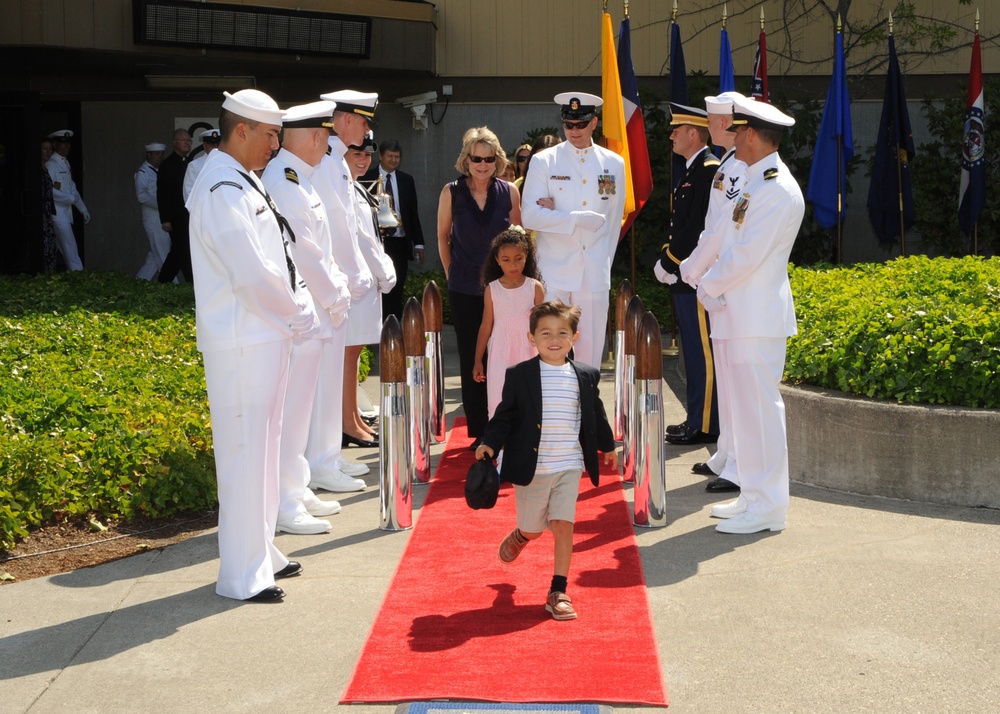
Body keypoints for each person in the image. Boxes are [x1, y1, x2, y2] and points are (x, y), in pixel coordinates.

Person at [186, 88, 315, 602]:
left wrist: (294, 308)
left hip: (264, 335)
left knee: (263, 450)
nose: (275, 146)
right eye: (270, 135)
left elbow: (277, 255)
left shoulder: (243, 180)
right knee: (243, 455)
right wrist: (297, 311)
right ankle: (242, 575)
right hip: (243, 339)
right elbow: (250, 273)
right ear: (241, 129)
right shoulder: (221, 187)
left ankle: (262, 552)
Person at [697, 96, 804, 535]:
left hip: (755, 317)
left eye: (738, 131)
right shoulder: (757, 181)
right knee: (745, 413)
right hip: (740, 315)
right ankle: (754, 496)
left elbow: (746, 257)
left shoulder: (776, 189)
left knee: (761, 413)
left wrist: (706, 285)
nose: (732, 137)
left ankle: (770, 507)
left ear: (755, 136)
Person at [475, 301, 618, 621]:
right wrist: (489, 443)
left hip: (569, 464)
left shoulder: (586, 374)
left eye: (562, 332)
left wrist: (607, 444)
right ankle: (523, 534)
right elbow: (504, 417)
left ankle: (558, 591)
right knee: (535, 527)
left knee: (564, 525)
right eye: (545, 333)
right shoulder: (520, 375)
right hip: (533, 467)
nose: (554, 339)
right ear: (532, 338)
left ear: (574, 337)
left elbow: (595, 413)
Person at [262, 99, 353, 535]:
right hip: (302, 315)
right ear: (316, 137)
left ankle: (295, 489)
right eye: (325, 136)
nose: (327, 143)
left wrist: (335, 292)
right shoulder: (285, 181)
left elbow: (326, 247)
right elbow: (306, 255)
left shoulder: (302, 179)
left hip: (314, 313)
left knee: (300, 414)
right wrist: (336, 297)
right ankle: (283, 504)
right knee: (292, 413)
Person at [521, 93, 627, 369]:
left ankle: (587, 406)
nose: (574, 131)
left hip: (593, 271)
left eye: (580, 124)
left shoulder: (613, 163)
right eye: (568, 125)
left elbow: (613, 221)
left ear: (595, 122)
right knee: (549, 348)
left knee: (590, 352)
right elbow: (529, 215)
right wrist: (573, 219)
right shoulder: (545, 161)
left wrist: (603, 260)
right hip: (554, 269)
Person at [307, 88, 379, 476]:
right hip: (327, 287)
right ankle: (320, 460)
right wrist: (352, 277)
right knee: (323, 373)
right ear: (347, 119)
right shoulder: (326, 161)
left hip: (336, 284)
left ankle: (328, 455)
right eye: (364, 120)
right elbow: (332, 227)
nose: (366, 130)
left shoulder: (333, 160)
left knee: (333, 368)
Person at [680, 91, 748, 494]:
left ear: (726, 123)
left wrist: (704, 273)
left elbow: (730, 231)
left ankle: (739, 463)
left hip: (728, 283)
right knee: (723, 372)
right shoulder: (726, 162)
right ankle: (726, 452)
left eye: (712, 118)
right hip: (714, 280)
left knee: (736, 381)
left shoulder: (742, 166)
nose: (708, 123)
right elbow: (713, 226)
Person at [437, 126, 521, 444]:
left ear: (497, 160)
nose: (483, 164)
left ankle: (506, 422)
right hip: (465, 288)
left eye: (489, 159)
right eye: (477, 158)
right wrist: (451, 274)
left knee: (507, 355)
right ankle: (480, 430)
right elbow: (443, 238)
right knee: (475, 356)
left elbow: (519, 239)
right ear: (466, 160)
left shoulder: (509, 192)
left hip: (504, 289)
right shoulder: (452, 192)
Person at [654, 103, 720, 447]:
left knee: (701, 352)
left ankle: (706, 423)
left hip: (696, 274)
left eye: (676, 130)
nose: (671, 135)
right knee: (693, 352)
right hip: (687, 274)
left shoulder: (708, 169)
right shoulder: (695, 169)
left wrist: (670, 260)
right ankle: (698, 417)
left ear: (694, 133)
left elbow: (697, 227)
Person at [346, 133, 397, 443]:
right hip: (356, 284)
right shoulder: (343, 189)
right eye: (356, 154)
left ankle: (352, 417)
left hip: (366, 283)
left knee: (353, 357)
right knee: (348, 357)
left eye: (367, 155)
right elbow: (363, 241)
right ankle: (348, 423)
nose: (363, 159)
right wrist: (386, 271)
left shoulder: (353, 187)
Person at [473, 225, 545, 418]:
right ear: (497, 260)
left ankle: (528, 444)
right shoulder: (492, 289)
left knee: (529, 399)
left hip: (528, 351)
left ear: (526, 257)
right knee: (499, 397)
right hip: (500, 352)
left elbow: (543, 326)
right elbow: (486, 326)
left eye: (518, 259)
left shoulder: (534, 287)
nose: (513, 265)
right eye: (506, 260)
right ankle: (502, 446)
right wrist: (478, 360)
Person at [361, 138, 425, 322]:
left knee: (396, 287)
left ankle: (393, 328)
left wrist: (419, 243)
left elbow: (413, 214)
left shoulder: (406, 180)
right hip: (376, 243)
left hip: (399, 242)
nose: (394, 160)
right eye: (390, 156)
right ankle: (376, 328)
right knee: (377, 287)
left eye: (397, 157)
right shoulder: (367, 178)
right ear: (380, 156)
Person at [46, 129, 89, 270]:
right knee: (70, 247)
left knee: (66, 249)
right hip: (57, 212)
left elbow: (72, 187)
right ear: (55, 144)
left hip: (65, 212)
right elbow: (49, 191)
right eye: (63, 144)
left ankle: (74, 278)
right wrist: (71, 199)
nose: (67, 147)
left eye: (68, 144)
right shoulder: (51, 164)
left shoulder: (65, 163)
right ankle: (80, 277)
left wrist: (82, 208)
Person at [157, 128, 194, 283]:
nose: (187, 143)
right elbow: (163, 193)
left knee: (178, 253)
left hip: (188, 216)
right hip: (175, 217)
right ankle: (190, 283)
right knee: (184, 251)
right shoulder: (167, 165)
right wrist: (165, 219)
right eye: (183, 140)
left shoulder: (190, 164)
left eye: (189, 141)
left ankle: (163, 281)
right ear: (174, 143)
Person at [135, 142, 170, 281]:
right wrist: (163, 206)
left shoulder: (160, 170)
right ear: (149, 155)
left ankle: (140, 281)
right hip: (153, 218)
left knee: (155, 255)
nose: (160, 157)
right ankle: (171, 285)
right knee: (163, 254)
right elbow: (141, 196)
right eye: (156, 154)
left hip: (161, 217)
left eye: (162, 154)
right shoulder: (143, 172)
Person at [182, 128, 221, 202]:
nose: (215, 148)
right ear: (205, 146)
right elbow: (189, 194)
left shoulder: (227, 163)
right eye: (212, 145)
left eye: (218, 145)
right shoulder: (194, 165)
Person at [39, 138, 59, 273]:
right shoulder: (37, 170)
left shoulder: (45, 168)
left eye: (50, 149)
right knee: (44, 246)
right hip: (41, 212)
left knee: (51, 245)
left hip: (48, 211)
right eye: (44, 149)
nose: (48, 152)